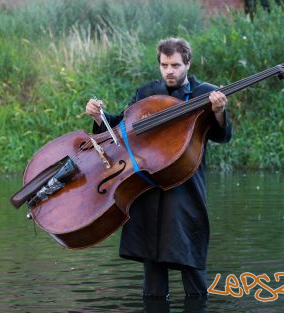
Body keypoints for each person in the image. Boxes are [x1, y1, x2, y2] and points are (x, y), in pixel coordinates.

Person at [86, 37, 232, 299]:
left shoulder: (205, 94)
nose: (169, 71)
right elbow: (121, 127)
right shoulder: (146, 93)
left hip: (185, 186)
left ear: (187, 63)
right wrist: (99, 118)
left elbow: (222, 136)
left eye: (175, 65)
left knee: (193, 271)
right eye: (164, 65)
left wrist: (219, 112)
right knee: (152, 283)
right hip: (148, 186)